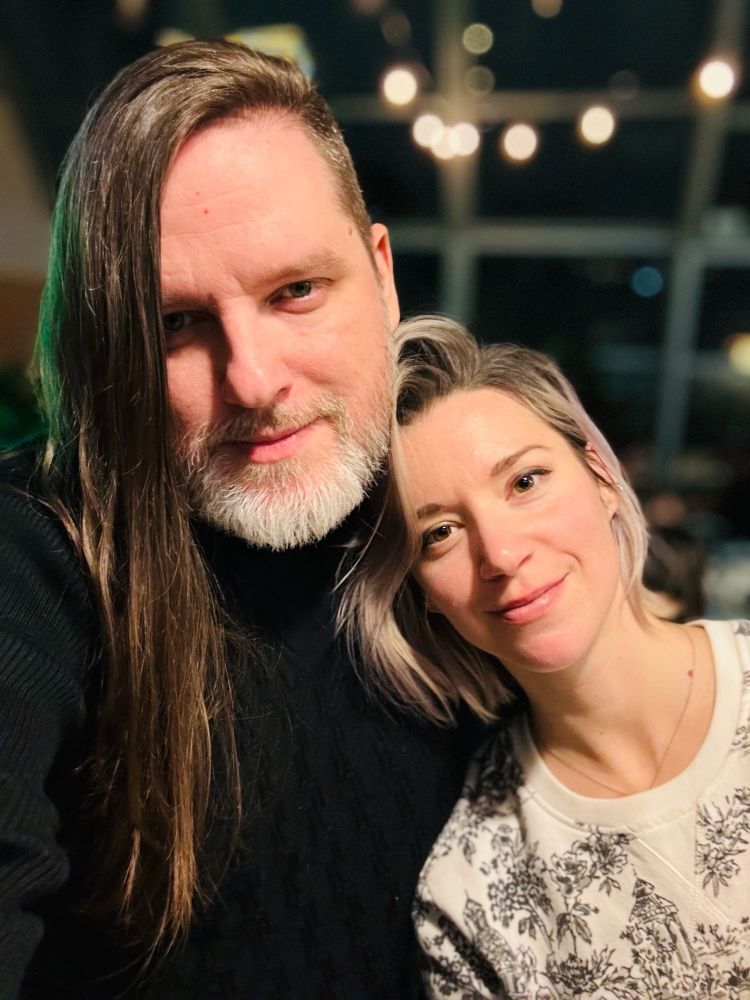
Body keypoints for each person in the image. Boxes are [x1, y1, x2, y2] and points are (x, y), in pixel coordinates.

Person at [0, 43, 478, 998]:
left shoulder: (457, 521)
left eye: (296, 292)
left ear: (382, 277)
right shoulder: (36, 556)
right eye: (176, 323)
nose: (254, 382)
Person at [341, 314, 750, 998]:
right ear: (423, 594)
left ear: (603, 480)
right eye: (440, 532)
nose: (500, 555)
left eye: (525, 482)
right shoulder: (474, 886)